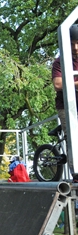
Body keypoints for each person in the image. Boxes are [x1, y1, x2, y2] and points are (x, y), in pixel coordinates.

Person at [52, 23, 78, 180]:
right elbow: (57, 84)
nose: (75, 48)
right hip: (67, 106)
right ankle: (76, 175)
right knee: (74, 139)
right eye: (72, 44)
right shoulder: (60, 61)